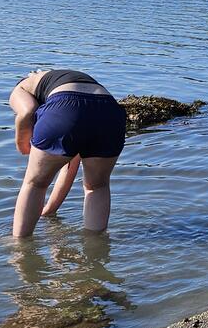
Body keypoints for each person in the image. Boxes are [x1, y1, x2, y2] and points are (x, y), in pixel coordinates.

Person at [8, 69, 127, 237]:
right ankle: (94, 251)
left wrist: (22, 143)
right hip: (109, 111)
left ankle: (20, 247)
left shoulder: (21, 87)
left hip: (64, 107)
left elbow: (27, 111)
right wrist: (48, 210)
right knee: (97, 186)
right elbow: (69, 168)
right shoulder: (57, 79)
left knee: (35, 183)